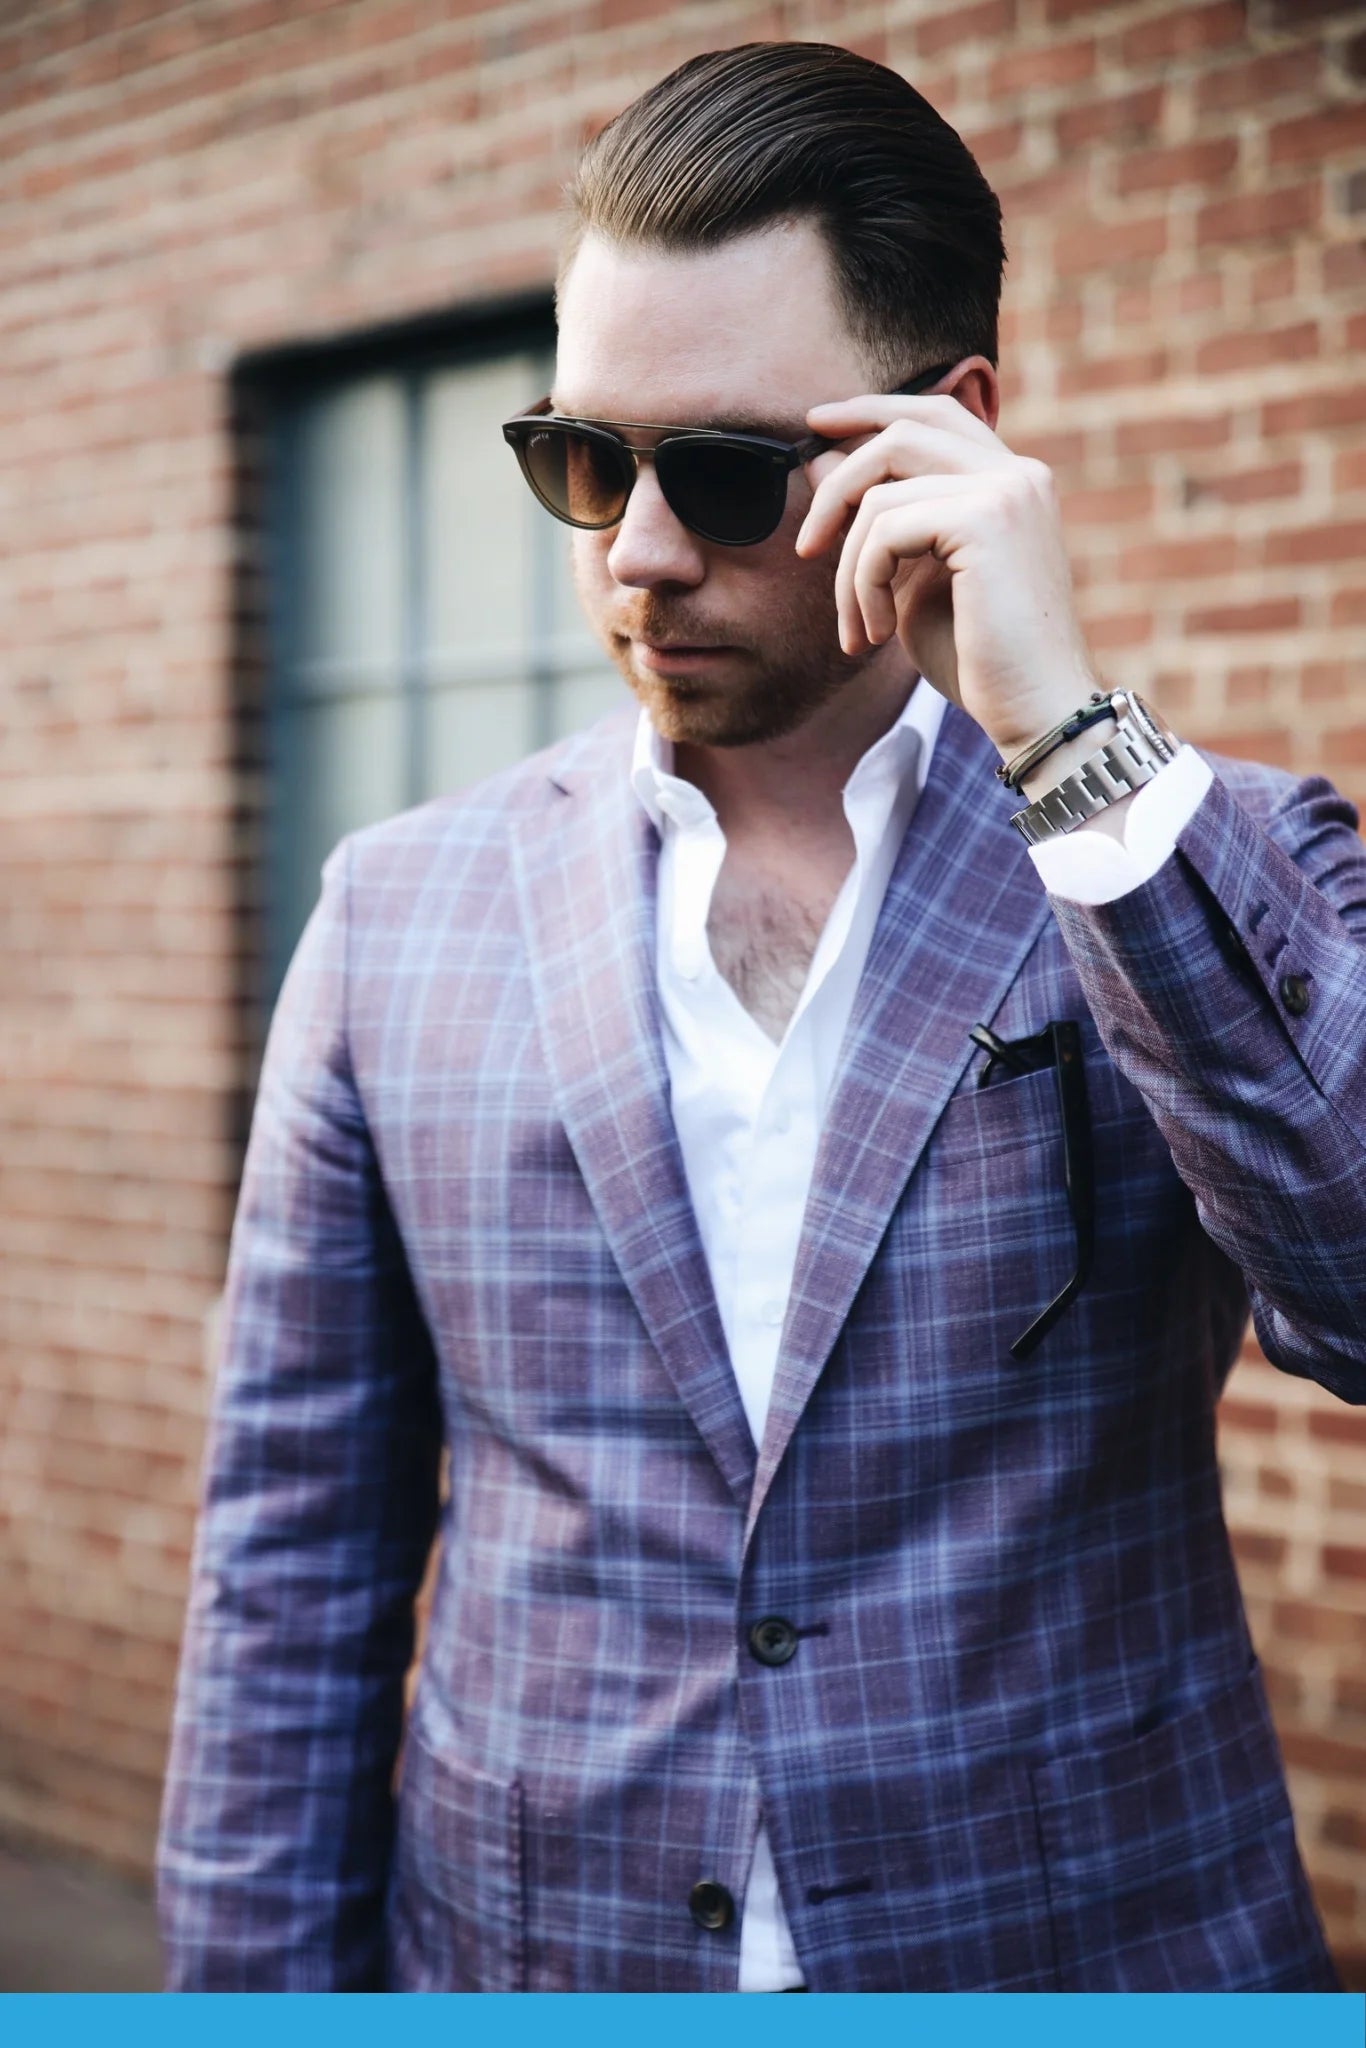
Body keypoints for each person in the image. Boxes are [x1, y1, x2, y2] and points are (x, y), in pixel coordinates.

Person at [156, 42, 1360, 1991]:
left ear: (942, 431)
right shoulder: (393, 913)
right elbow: (290, 1564)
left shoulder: (1190, 860)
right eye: (579, 459)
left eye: (717, 473)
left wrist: (1060, 735)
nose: (632, 549)